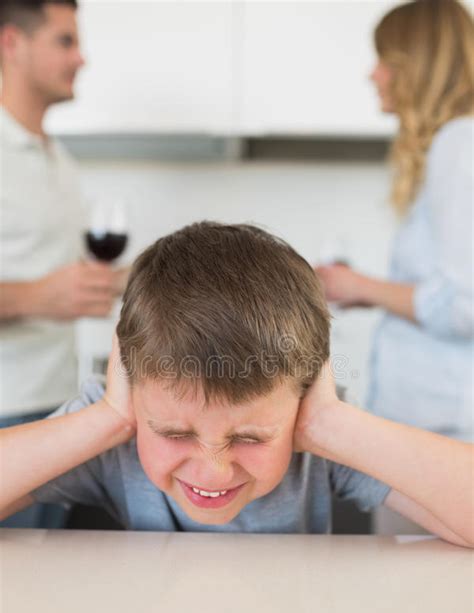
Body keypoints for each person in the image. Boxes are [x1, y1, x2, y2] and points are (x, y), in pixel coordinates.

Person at [0, 222, 472, 549]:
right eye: (174, 433)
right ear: (130, 379)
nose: (214, 471)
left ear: (306, 394)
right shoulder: (114, 426)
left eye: (249, 438)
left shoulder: (316, 432)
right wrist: (109, 418)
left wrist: (330, 424)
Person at [316, 0, 474, 441]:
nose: (373, 74)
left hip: (443, 424)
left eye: (385, 60)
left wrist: (359, 286)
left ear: (417, 66)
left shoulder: (459, 146)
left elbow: (465, 305)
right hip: (436, 419)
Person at [0, 0, 126, 527]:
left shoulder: (60, 161)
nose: (82, 59)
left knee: (42, 590)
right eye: (65, 41)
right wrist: (36, 297)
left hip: (56, 408)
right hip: (5, 412)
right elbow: (43, 288)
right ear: (11, 43)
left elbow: (61, 274)